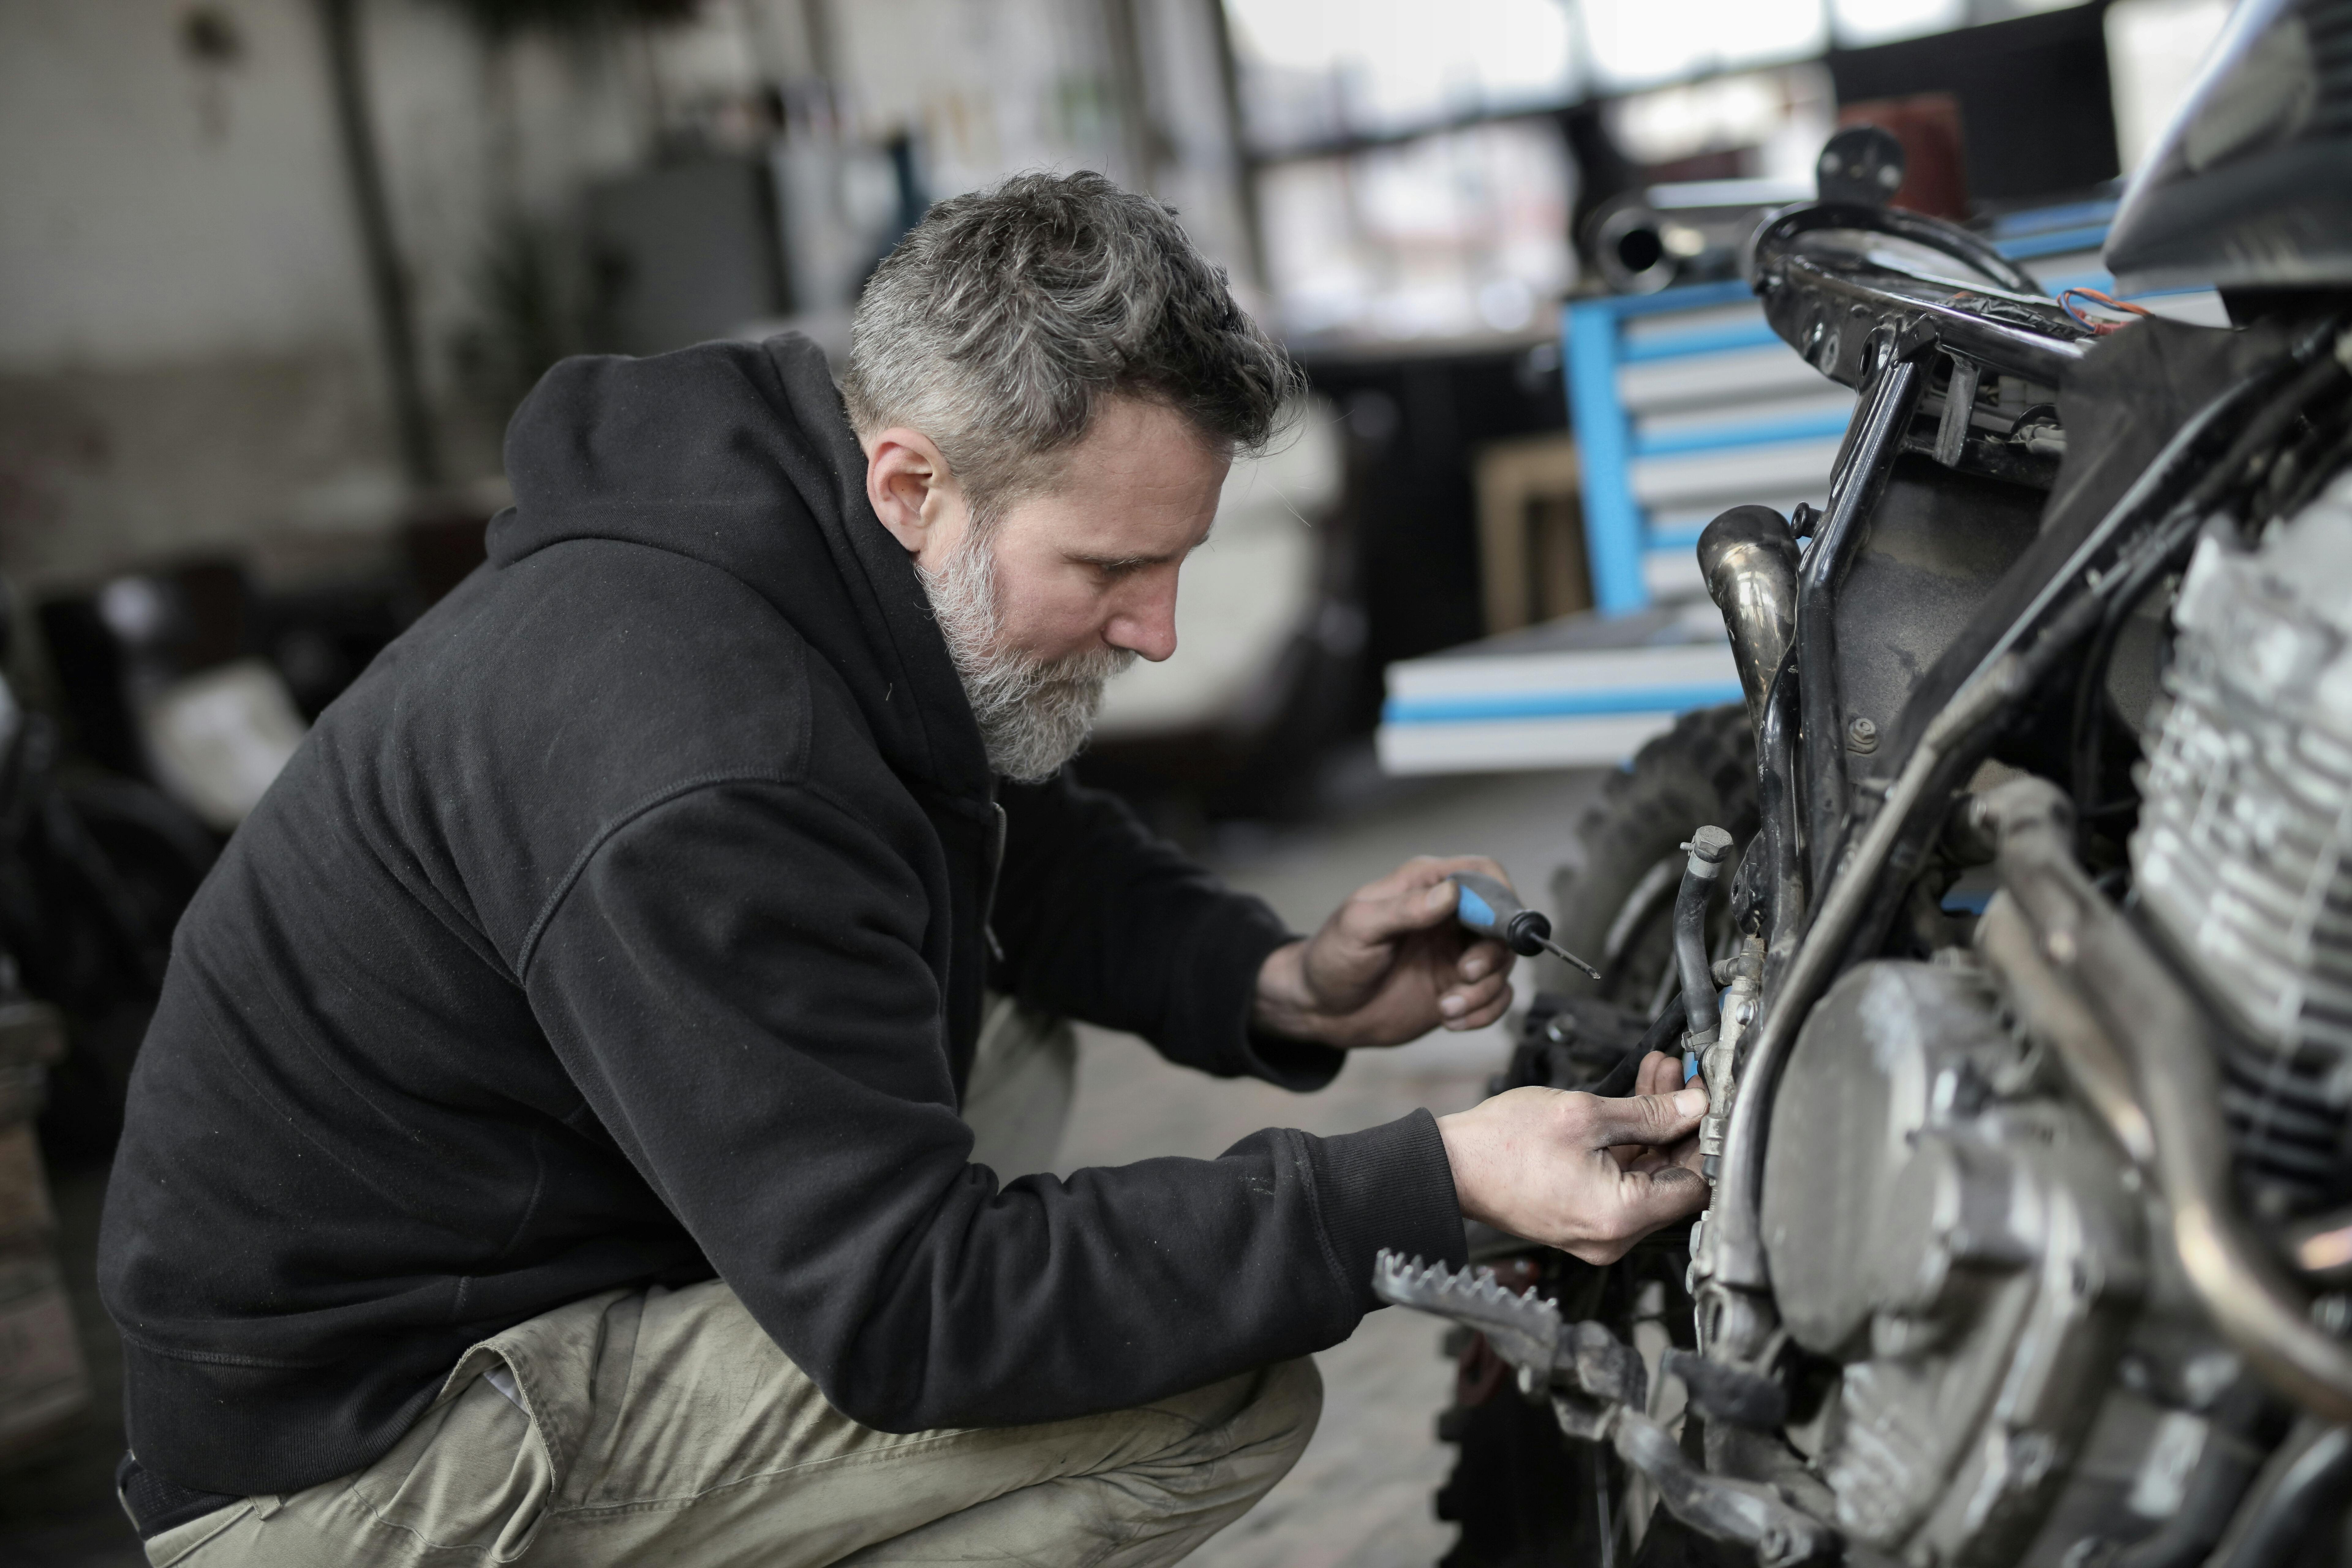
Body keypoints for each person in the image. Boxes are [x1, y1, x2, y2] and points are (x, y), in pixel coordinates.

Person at [99, 172, 1708, 1568]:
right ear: (913, 485)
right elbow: (917, 1309)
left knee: (1012, 1023)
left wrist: (1277, 981)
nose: (1155, 633)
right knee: (1204, 1394)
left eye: (1176, 567)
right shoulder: (706, 757)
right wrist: (1433, 1183)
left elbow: (1007, 846)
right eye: (1114, 569)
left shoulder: (799, 546)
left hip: (508, 1271)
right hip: (362, 1461)